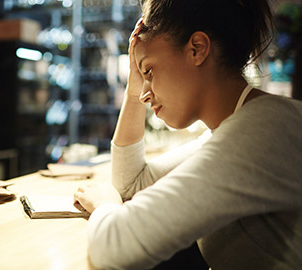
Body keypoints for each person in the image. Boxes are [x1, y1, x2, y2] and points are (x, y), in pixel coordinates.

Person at [73, 0, 302, 269]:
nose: (145, 93)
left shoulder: (263, 131)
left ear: (197, 49)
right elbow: (132, 184)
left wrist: (104, 205)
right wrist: (133, 91)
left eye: (149, 71)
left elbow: (113, 249)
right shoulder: (236, 127)